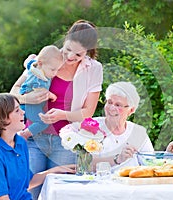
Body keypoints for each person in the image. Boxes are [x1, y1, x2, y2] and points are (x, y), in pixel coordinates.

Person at [10, 19, 102, 199]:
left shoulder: (93, 69)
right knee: (25, 190)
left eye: (78, 54)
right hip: (32, 138)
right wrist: (26, 97)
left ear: (88, 51)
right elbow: (13, 92)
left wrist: (63, 115)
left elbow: (88, 111)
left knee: (62, 193)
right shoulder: (46, 58)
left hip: (66, 142)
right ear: (65, 39)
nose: (69, 57)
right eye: (67, 49)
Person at [0, 93, 75, 200]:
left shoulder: (20, 143)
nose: (23, 112)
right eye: (17, 110)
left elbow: (28, 182)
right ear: (1, 118)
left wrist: (55, 170)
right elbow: (1, 198)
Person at [61, 82, 154, 172]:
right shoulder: (91, 126)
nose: (111, 108)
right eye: (109, 102)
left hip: (132, 183)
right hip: (100, 184)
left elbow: (150, 163)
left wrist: (167, 154)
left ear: (131, 110)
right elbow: (85, 164)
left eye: (118, 105)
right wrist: (118, 159)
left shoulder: (138, 132)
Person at [19, 45, 63, 138]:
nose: (55, 73)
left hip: (24, 100)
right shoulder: (40, 79)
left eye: (57, 70)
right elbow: (41, 92)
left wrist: (30, 57)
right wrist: (52, 96)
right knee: (43, 122)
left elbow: (27, 63)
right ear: (40, 63)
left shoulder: (34, 66)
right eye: (52, 69)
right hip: (31, 104)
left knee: (21, 120)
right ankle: (24, 134)